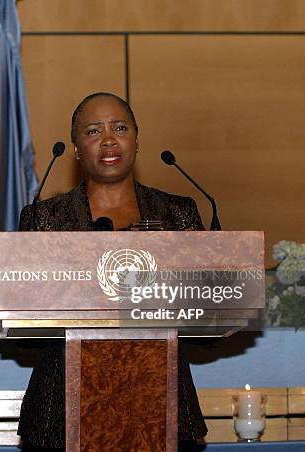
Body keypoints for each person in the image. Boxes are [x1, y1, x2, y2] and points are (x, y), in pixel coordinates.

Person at [17, 92, 208, 450]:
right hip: (62, 408)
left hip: (160, 401)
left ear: (136, 140)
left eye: (120, 127)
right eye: (93, 131)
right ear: (76, 149)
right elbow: (23, 324)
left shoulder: (177, 214)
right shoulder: (44, 220)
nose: (108, 139)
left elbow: (205, 314)